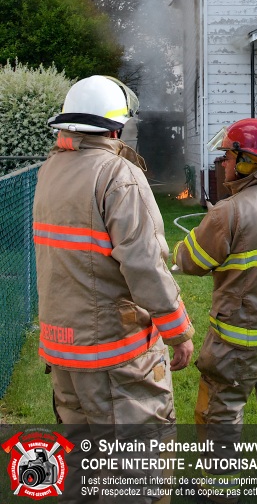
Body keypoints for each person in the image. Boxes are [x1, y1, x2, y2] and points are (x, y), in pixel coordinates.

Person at [33, 75, 194, 425]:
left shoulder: (49, 170)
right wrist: (178, 332)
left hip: (61, 348)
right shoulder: (117, 175)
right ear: (115, 128)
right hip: (115, 357)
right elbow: (145, 264)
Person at [174, 118, 257, 499]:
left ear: (248, 161)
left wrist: (181, 249)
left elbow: (192, 261)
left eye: (229, 157)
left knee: (222, 407)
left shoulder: (228, 212)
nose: (224, 164)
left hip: (238, 339)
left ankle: (219, 487)